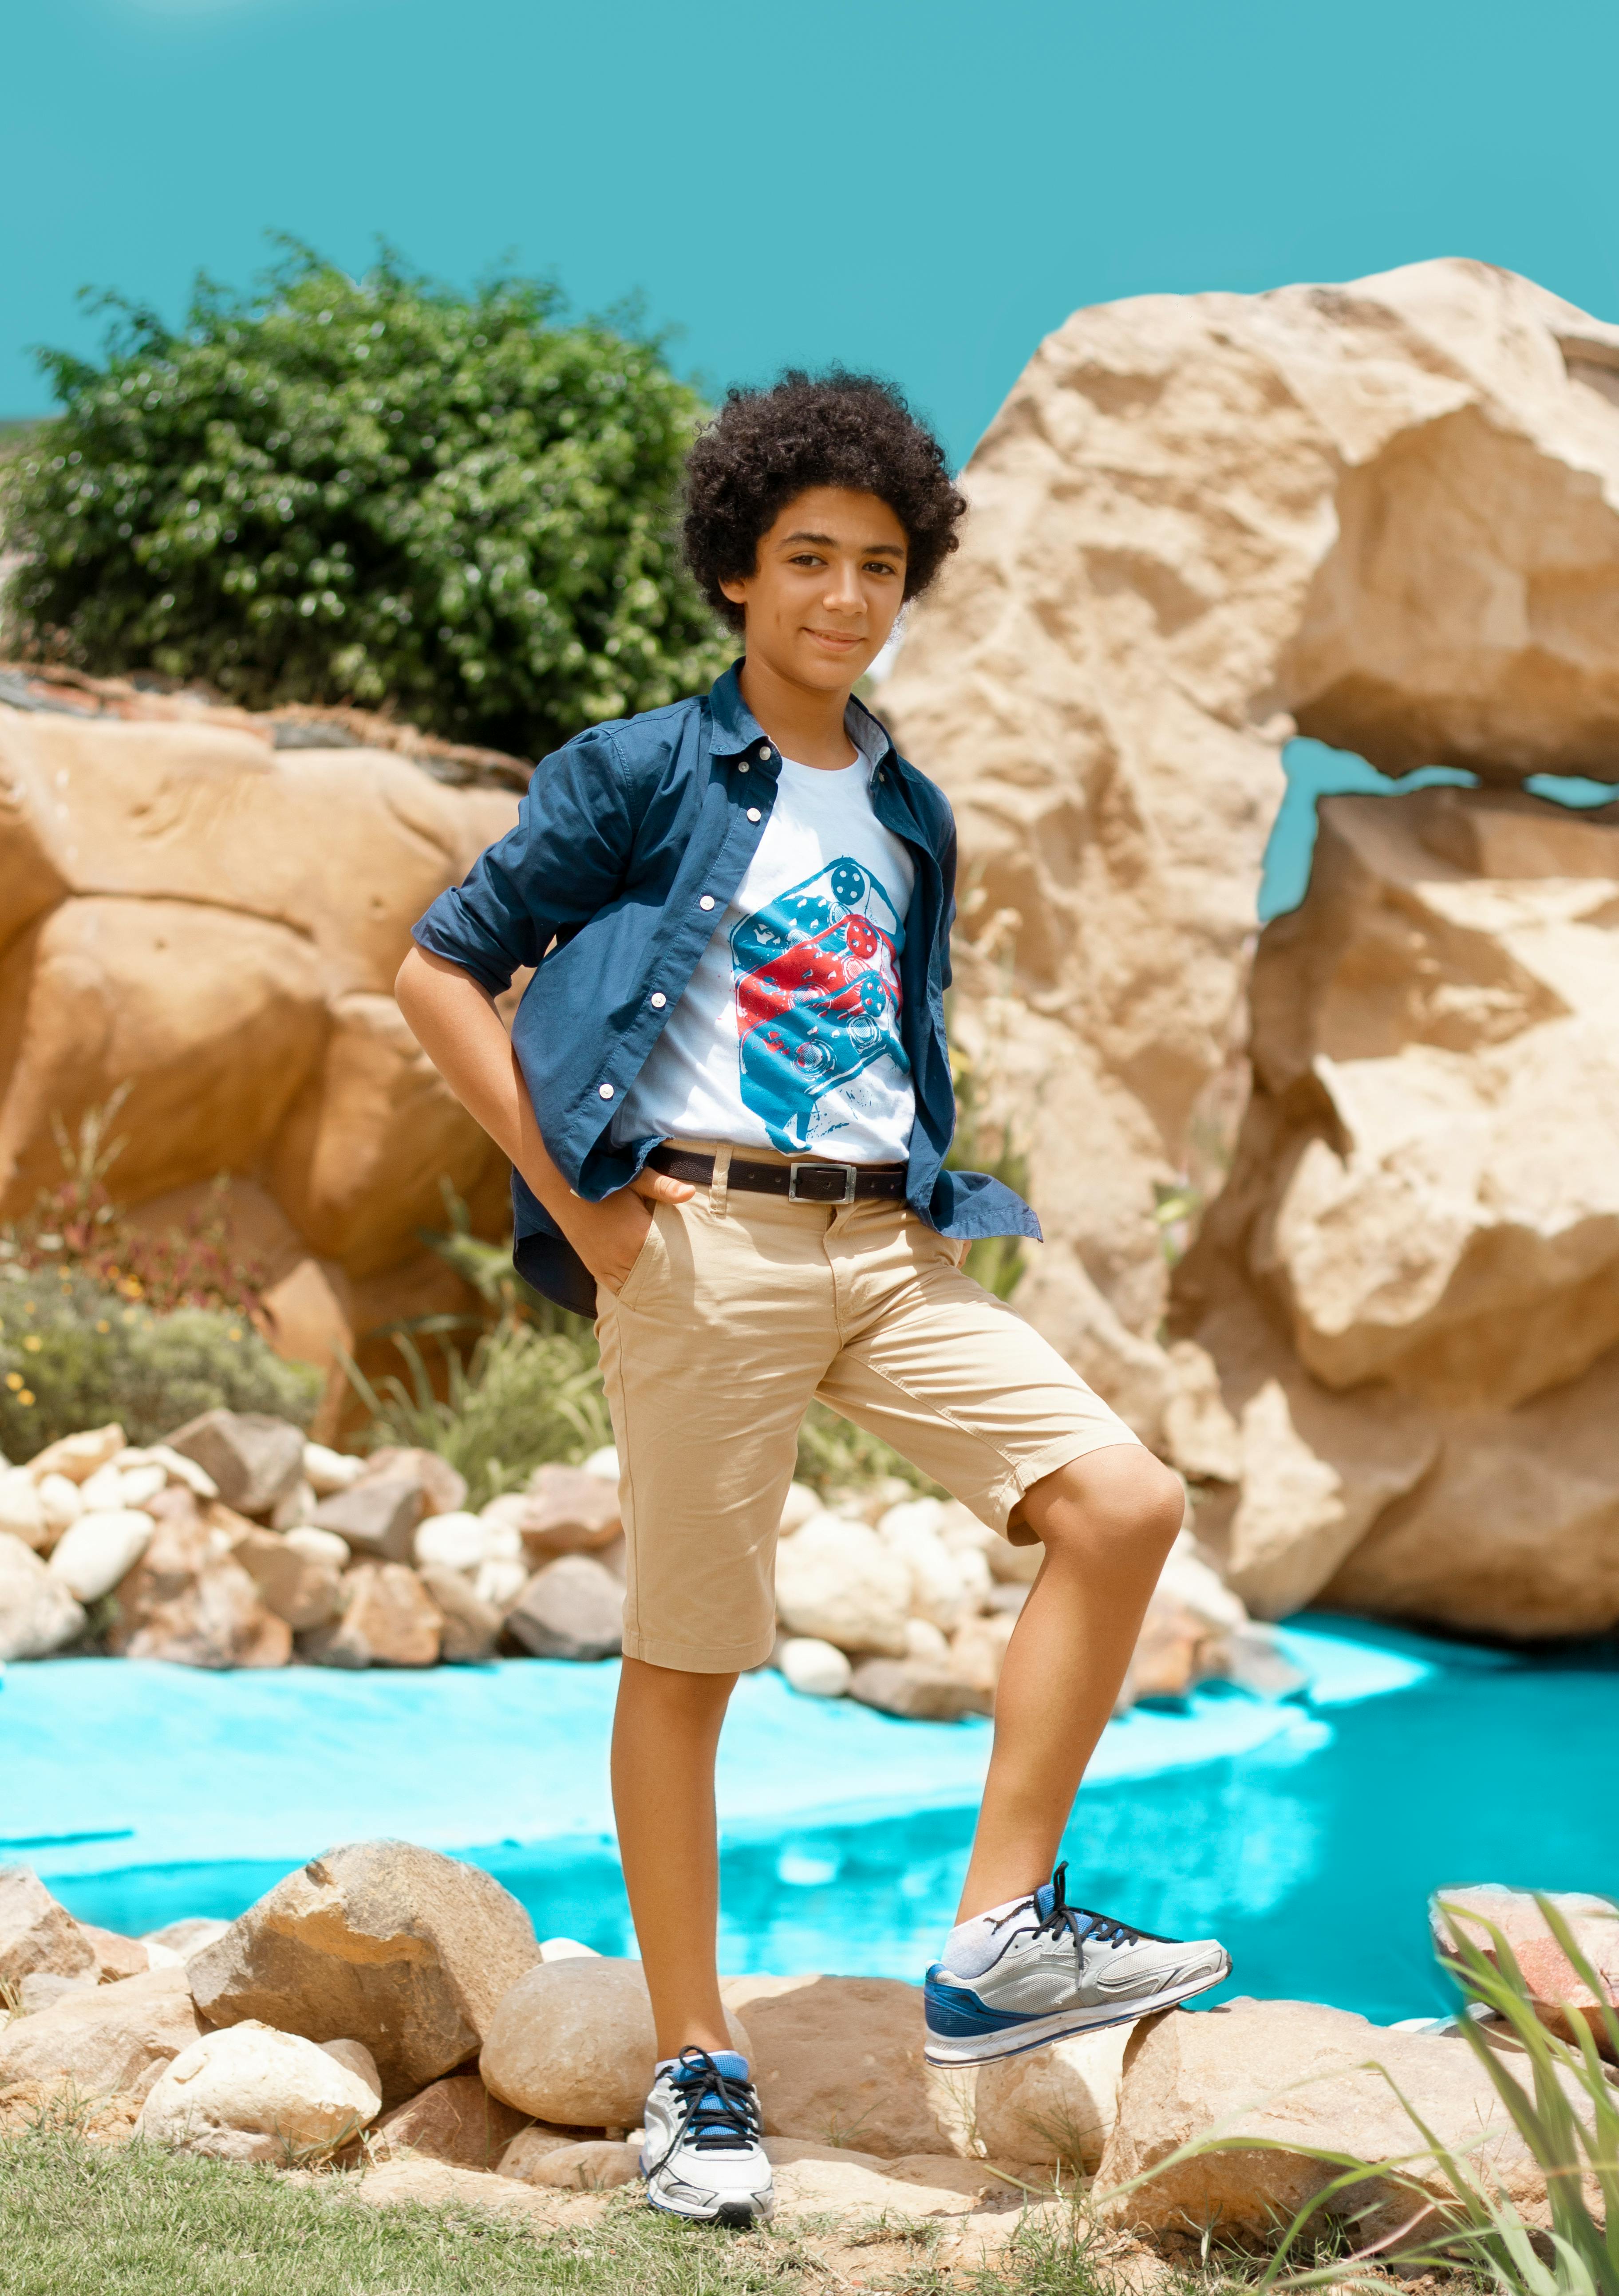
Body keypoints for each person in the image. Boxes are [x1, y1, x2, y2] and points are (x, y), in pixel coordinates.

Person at [396, 370, 1231, 2228]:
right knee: (691, 1655)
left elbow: (885, 1033)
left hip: (884, 1243)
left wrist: (919, 1208)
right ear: (735, 574)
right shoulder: (638, 770)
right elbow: (440, 973)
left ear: (906, 579)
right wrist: (593, 1218)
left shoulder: (914, 810)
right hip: (701, 1245)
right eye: (805, 560)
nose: (843, 595)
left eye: (875, 565)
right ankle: (697, 2072)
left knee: (1121, 1500)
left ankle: (1000, 1931)